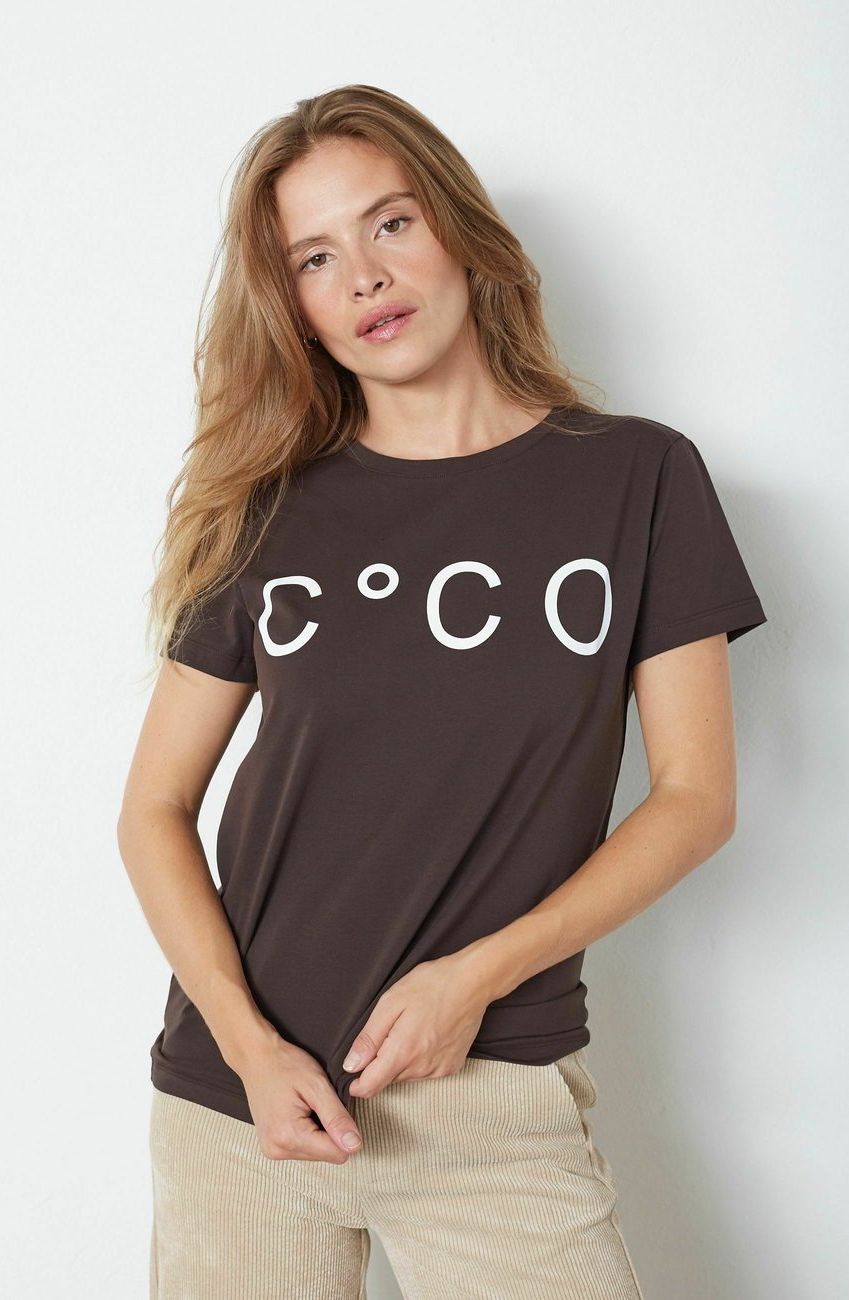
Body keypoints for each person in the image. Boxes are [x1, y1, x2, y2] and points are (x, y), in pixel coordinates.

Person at [117, 83, 767, 1300]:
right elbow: (153, 807)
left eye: (390, 223)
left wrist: (474, 977)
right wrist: (250, 1050)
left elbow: (696, 798)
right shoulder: (268, 510)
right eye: (314, 257)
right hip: (243, 1106)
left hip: (488, 1091)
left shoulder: (638, 479)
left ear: (460, 232)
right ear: (293, 306)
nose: (364, 274)